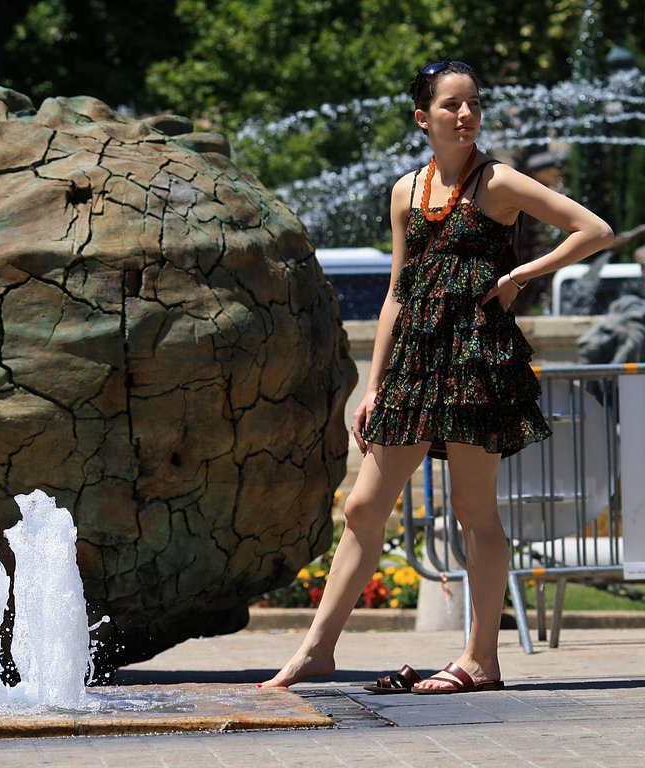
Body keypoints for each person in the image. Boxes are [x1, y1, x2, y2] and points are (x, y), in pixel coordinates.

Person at [260, 60, 614, 694]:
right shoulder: (405, 190)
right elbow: (399, 291)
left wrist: (519, 275)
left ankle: (481, 659)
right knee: (365, 506)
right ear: (423, 118)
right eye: (452, 105)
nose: (467, 114)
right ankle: (317, 650)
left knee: (474, 514)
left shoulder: (499, 182)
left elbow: (595, 230)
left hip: (477, 361)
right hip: (417, 363)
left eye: (474, 103)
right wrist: (374, 386)